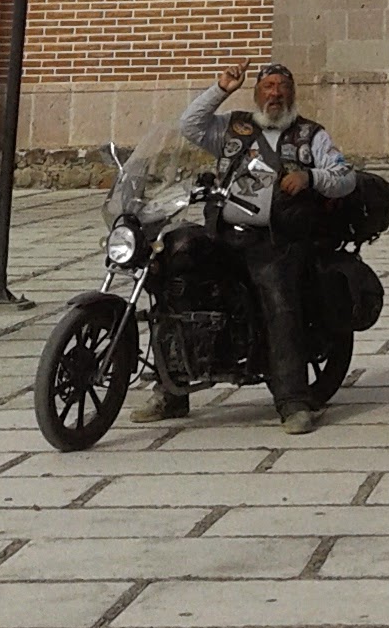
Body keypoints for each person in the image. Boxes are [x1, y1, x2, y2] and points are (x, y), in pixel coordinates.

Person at [133, 61, 355, 434]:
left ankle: (293, 401)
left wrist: (309, 176)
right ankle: (172, 390)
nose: (275, 94)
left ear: (292, 93)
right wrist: (220, 88)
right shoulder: (233, 127)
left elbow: (345, 176)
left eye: (282, 86)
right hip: (223, 234)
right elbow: (189, 126)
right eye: (268, 86)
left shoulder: (310, 136)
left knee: (279, 303)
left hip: (277, 240)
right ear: (256, 92)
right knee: (174, 269)